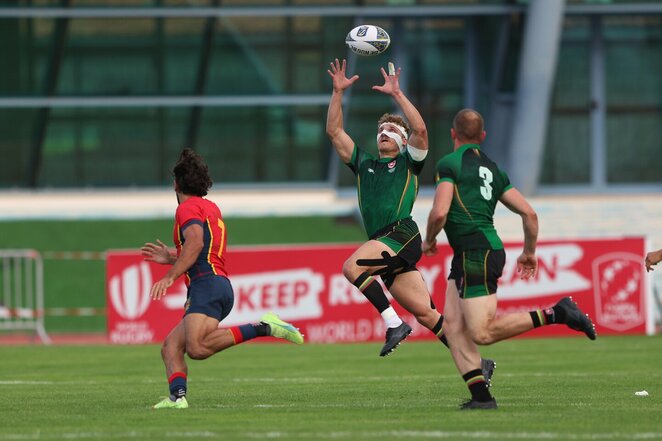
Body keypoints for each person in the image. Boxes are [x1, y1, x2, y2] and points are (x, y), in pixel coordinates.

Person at [325, 58, 495, 388]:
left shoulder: (408, 163)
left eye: (392, 131)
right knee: (428, 315)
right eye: (380, 132)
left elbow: (421, 130)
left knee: (351, 268)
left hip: (401, 234)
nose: (384, 135)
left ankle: (391, 324)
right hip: (384, 242)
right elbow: (334, 131)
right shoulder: (364, 164)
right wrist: (337, 92)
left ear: (403, 142)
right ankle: (479, 363)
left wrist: (398, 94)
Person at [422, 108, 596, 410]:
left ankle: (557, 313)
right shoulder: (493, 169)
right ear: (483, 136)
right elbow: (529, 212)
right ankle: (481, 398)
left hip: (476, 251)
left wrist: (430, 239)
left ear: (453, 134)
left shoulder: (449, 164)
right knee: (452, 325)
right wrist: (529, 252)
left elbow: (439, 211)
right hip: (474, 252)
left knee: (481, 332)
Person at [142, 148, 304, 409]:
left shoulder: (186, 209)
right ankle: (177, 398)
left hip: (206, 285)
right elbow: (202, 249)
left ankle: (264, 327)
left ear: (175, 183)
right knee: (171, 346)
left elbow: (195, 243)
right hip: (215, 283)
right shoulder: (209, 207)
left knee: (196, 348)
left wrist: (170, 276)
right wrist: (172, 256)